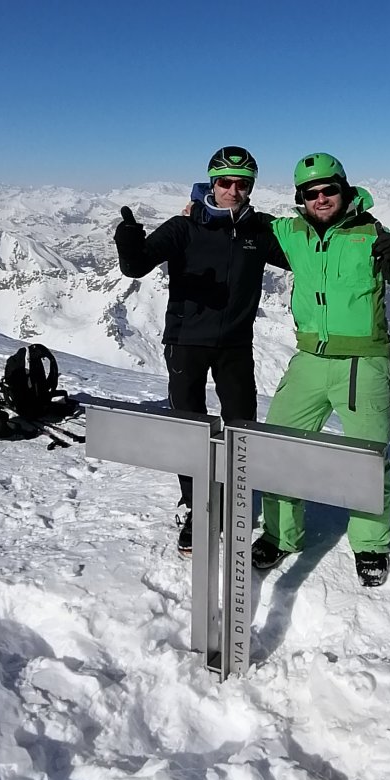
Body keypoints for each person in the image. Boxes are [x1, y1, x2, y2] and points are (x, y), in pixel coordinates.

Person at [252, 152, 390, 588]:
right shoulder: (290, 232)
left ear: (344, 189)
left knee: (366, 458)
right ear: (300, 198)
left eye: (328, 189)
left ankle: (370, 543)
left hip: (363, 364)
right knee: (279, 447)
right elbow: (238, 219)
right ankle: (280, 534)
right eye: (310, 193)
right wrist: (201, 204)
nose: (320, 198)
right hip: (309, 360)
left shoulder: (371, 232)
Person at [114, 146, 287, 555]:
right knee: (188, 428)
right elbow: (136, 266)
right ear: (212, 183)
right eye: (225, 182)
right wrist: (128, 241)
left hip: (235, 346)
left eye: (242, 184)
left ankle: (234, 497)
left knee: (241, 425)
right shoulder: (183, 227)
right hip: (186, 343)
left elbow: (309, 258)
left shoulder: (259, 231)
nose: (233, 191)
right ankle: (197, 506)